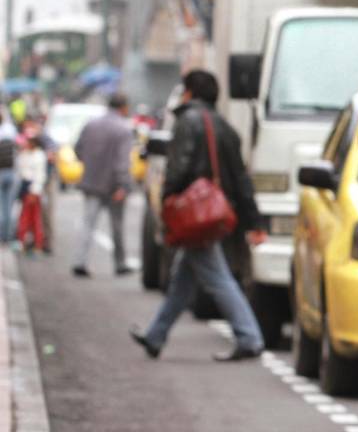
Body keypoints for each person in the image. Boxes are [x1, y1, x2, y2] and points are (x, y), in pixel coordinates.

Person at [130, 70, 267, 361]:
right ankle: (156, 335)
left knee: (218, 278)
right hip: (213, 213)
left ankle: (249, 337)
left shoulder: (187, 122)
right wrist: (253, 221)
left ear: (190, 92)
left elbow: (177, 168)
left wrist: (168, 202)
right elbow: (241, 179)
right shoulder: (225, 128)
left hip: (195, 215)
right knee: (184, 278)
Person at [71, 93, 134, 277]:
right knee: (117, 226)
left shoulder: (91, 125)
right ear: (123, 107)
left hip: (92, 182)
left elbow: (77, 149)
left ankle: (79, 261)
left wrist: (90, 165)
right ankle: (120, 263)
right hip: (114, 186)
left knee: (88, 224)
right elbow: (123, 162)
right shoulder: (123, 129)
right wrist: (123, 185)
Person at [16, 135, 47, 253]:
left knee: (33, 217)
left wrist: (34, 191)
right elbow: (21, 168)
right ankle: (24, 241)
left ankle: (36, 243)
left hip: (33, 189)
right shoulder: (26, 154)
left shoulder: (39, 156)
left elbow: (39, 175)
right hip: (25, 186)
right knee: (25, 216)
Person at [0, 112, 17, 249]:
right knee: (8, 207)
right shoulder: (10, 130)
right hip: (11, 172)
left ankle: (1, 236)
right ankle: (7, 236)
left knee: (1, 207)